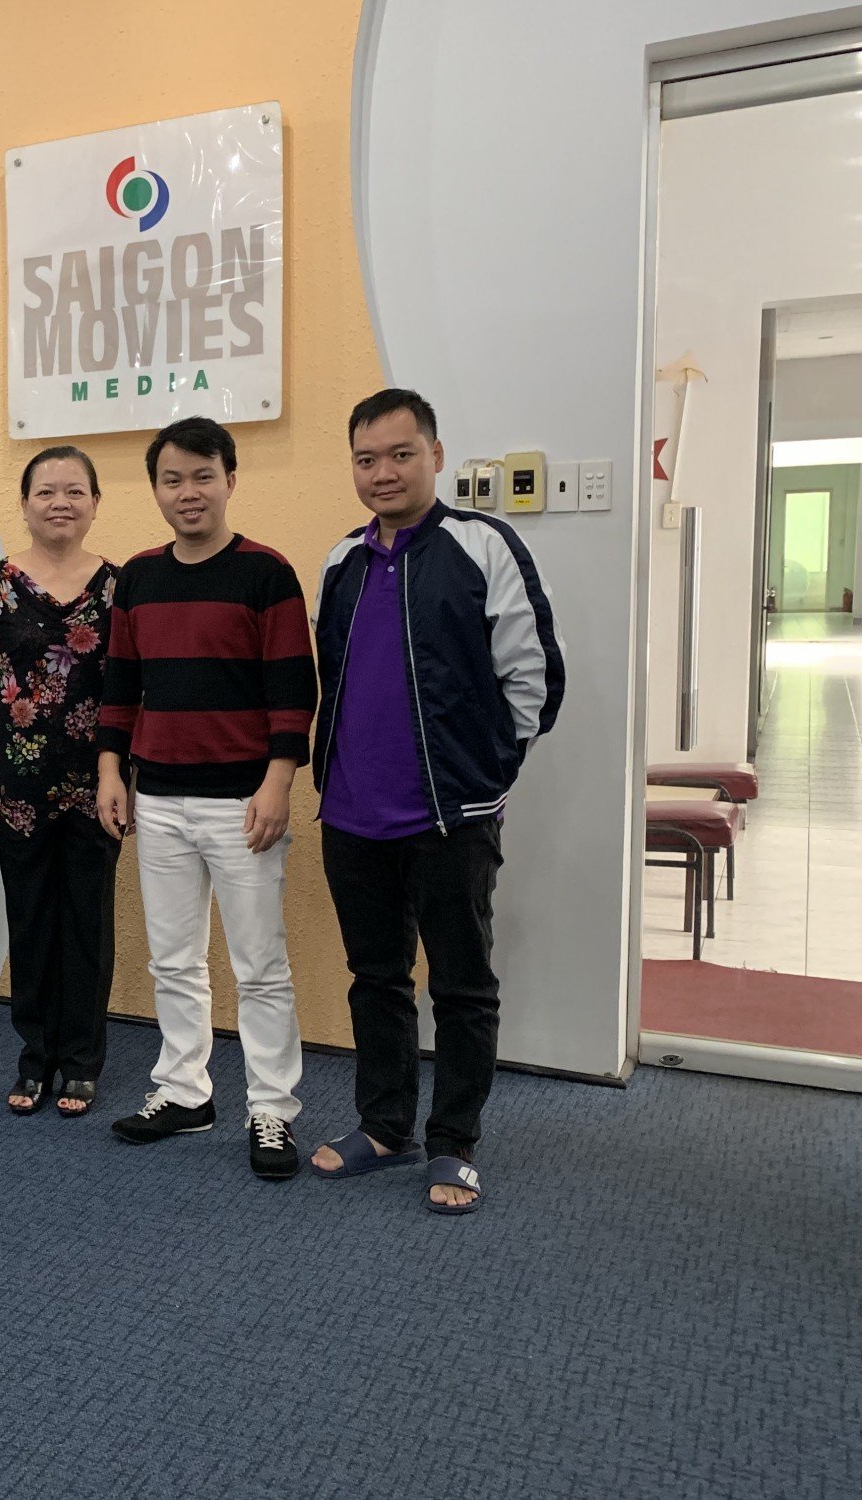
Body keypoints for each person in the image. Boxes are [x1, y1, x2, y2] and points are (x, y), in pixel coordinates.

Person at [307, 388, 563, 1214]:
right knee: (376, 978)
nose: (382, 472)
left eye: (400, 454)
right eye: (366, 459)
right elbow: (336, 680)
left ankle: (454, 1142)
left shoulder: (482, 546)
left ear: (436, 455)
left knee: (461, 986)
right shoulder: (341, 561)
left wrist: (486, 777)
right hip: (353, 814)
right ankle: (385, 1126)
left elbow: (534, 678)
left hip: (452, 817)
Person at [95, 415, 315, 1180]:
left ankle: (271, 1109)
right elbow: (119, 686)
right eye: (172, 479)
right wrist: (110, 771)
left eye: (202, 476)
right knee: (174, 961)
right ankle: (185, 1092)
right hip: (158, 798)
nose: (187, 492)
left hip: (242, 803)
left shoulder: (267, 573)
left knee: (260, 967)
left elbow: (294, 691)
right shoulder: (138, 577)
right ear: (155, 489)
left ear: (230, 481)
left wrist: (278, 783)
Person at [0, 446, 120, 1117]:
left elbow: (124, 690)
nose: (61, 502)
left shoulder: (118, 587)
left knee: (88, 922)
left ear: (95, 503)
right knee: (30, 920)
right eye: (46, 491)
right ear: (24, 504)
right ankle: (35, 1059)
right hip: (17, 783)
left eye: (75, 491)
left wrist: (119, 773)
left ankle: (82, 1062)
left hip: (96, 782)